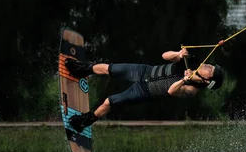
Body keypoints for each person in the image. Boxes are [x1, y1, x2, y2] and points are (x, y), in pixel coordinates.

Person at [64, 48, 224, 132]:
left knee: (110, 101)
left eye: (210, 69)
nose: (208, 65)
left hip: (145, 91)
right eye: (210, 65)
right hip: (144, 71)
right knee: (109, 68)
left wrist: (183, 80)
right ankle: (82, 70)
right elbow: (165, 56)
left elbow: (171, 92)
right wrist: (179, 54)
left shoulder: (192, 89)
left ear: (207, 80)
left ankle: (86, 121)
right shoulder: (192, 62)